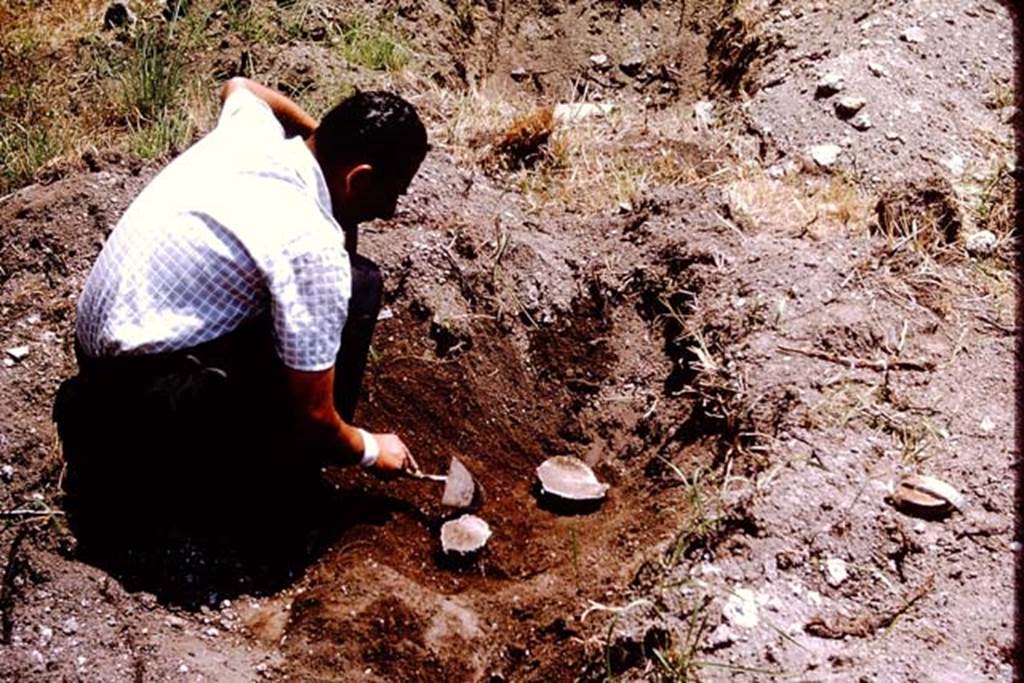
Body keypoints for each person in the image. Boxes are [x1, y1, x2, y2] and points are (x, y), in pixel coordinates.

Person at [54, 78, 427, 525]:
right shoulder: (311, 243)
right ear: (359, 178)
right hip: (145, 407)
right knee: (359, 285)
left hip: (98, 356)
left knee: (333, 285)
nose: (391, 212)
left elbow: (241, 86)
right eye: (393, 194)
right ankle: (276, 492)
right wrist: (368, 449)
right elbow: (315, 418)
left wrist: (324, 138)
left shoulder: (251, 132)